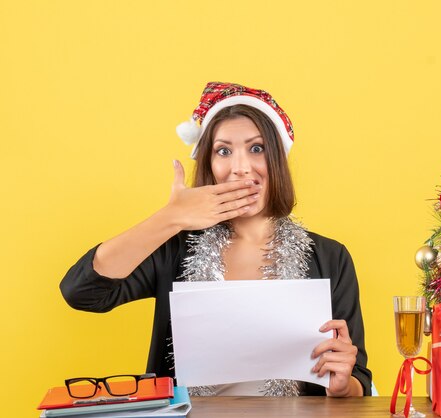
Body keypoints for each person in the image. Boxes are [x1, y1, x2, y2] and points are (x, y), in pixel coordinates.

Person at [60, 82, 371, 397]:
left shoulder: (330, 257)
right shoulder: (175, 249)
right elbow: (82, 291)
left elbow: (358, 380)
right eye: (224, 151)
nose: (240, 168)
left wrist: (344, 384)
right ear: (208, 164)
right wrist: (170, 218)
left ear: (277, 160)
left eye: (257, 148)